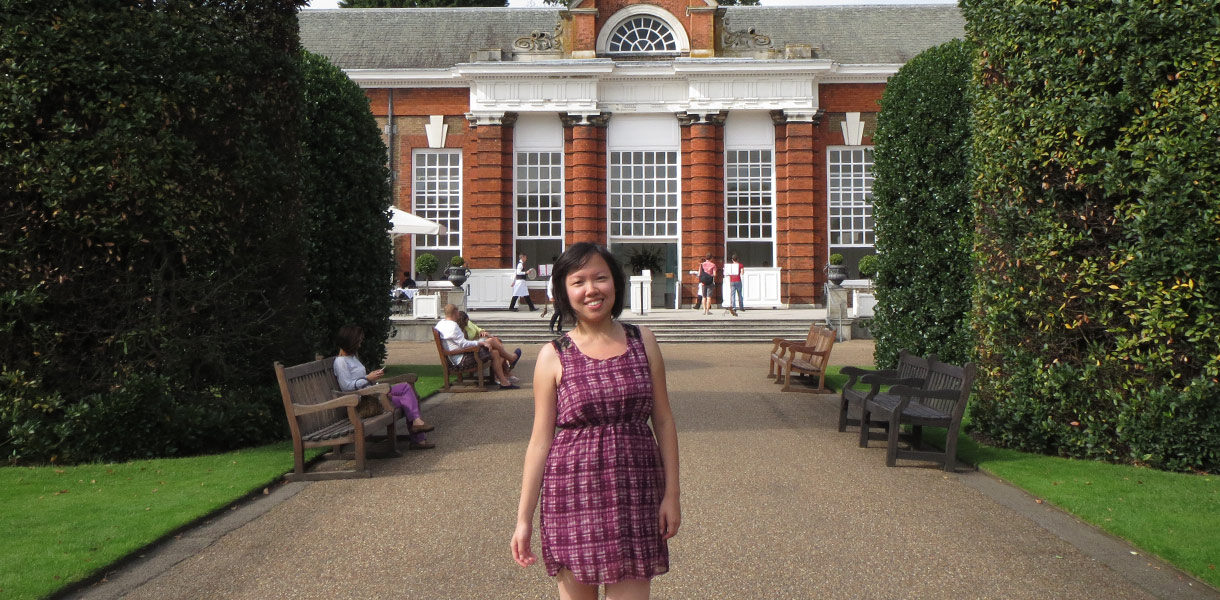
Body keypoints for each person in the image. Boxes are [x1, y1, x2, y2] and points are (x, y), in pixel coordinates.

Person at [512, 242, 680, 599]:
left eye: (601, 278)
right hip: (572, 496)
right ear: (563, 291)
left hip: (635, 493)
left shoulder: (642, 341)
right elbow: (540, 441)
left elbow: (663, 421)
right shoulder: (553, 356)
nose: (591, 289)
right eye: (579, 281)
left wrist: (672, 494)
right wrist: (523, 519)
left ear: (615, 284)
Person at [332, 324, 435, 450]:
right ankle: (418, 437)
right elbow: (346, 387)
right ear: (350, 342)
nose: (360, 344)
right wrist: (367, 378)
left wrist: (373, 379)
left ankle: (417, 424)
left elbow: (360, 380)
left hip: (371, 393)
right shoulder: (340, 362)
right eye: (358, 341)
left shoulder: (352, 358)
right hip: (362, 403)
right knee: (407, 399)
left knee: (406, 388)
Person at [436, 303, 518, 389]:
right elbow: (463, 344)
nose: (458, 315)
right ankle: (511, 358)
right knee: (492, 341)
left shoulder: (440, 324)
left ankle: (504, 382)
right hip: (462, 360)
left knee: (495, 352)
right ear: (455, 313)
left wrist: (480, 342)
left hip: (456, 357)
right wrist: (480, 343)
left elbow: (461, 343)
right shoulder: (453, 326)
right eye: (457, 313)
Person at [456, 310, 522, 382]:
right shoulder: (459, 331)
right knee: (494, 343)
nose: (468, 323)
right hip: (473, 351)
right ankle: (509, 364)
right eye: (467, 321)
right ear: (464, 321)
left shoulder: (469, 324)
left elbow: (479, 329)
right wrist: (481, 342)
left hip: (477, 344)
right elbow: (465, 344)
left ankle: (501, 375)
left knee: (496, 346)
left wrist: (482, 332)